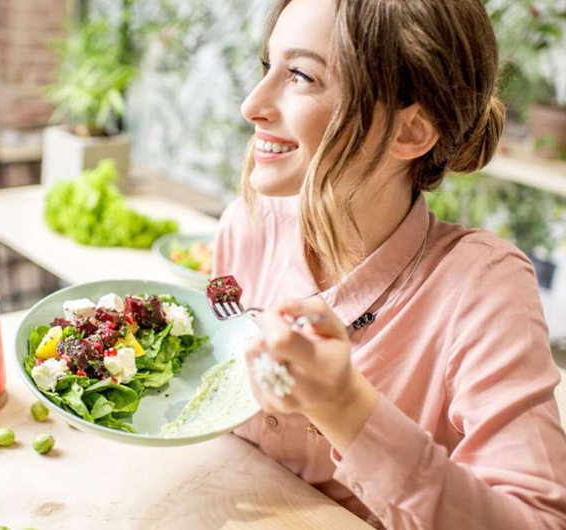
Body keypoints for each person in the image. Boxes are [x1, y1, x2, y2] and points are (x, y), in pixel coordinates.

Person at [211, 0, 566, 528]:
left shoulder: (483, 288)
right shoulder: (247, 225)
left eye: (302, 76)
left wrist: (345, 408)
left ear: (410, 132)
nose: (252, 105)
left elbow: (536, 520)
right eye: (268, 67)